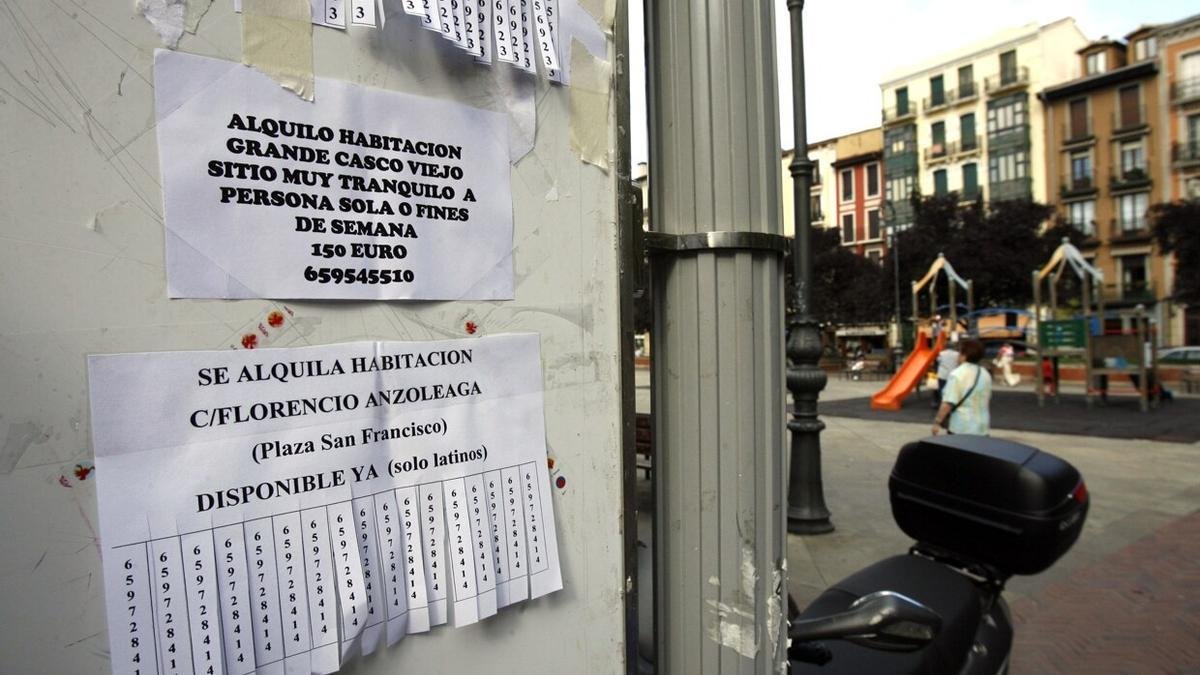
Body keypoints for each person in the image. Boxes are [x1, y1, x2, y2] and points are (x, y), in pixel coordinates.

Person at [932, 338, 992, 436]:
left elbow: (948, 403)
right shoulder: (985, 374)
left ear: (964, 355)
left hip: (962, 426)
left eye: (959, 352)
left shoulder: (957, 374)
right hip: (982, 426)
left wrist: (937, 422)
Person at [933, 339, 960, 408]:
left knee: (942, 390)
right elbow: (959, 363)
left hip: (942, 375)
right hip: (953, 375)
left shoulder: (941, 353)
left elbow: (938, 361)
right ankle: (952, 404)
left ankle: (943, 404)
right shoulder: (957, 354)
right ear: (953, 347)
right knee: (952, 390)